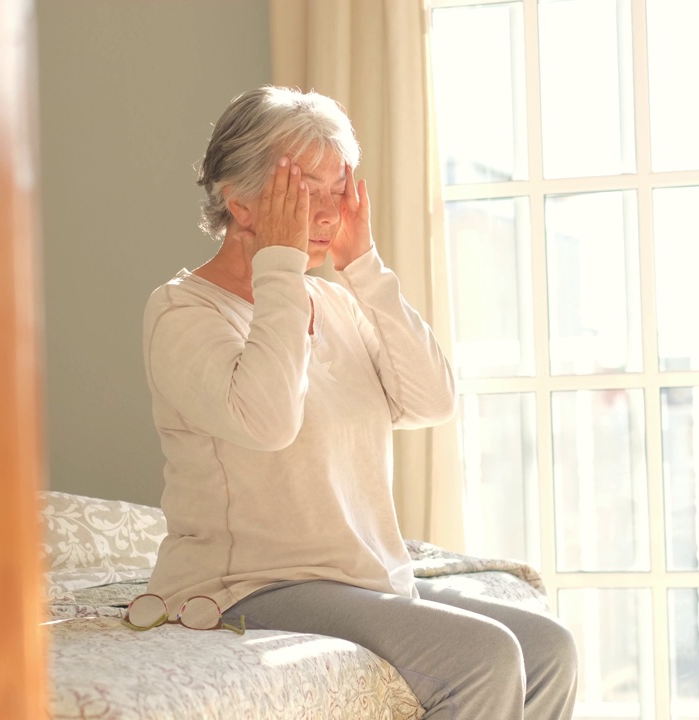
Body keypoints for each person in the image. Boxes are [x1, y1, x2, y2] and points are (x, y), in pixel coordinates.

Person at [137, 85, 577, 719]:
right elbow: (266, 422)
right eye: (305, 192)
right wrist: (282, 268)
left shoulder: (339, 303)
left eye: (338, 189)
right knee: (483, 656)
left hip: (362, 577)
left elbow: (431, 401)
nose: (326, 212)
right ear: (241, 202)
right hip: (248, 586)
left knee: (549, 647)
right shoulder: (183, 311)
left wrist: (363, 266)